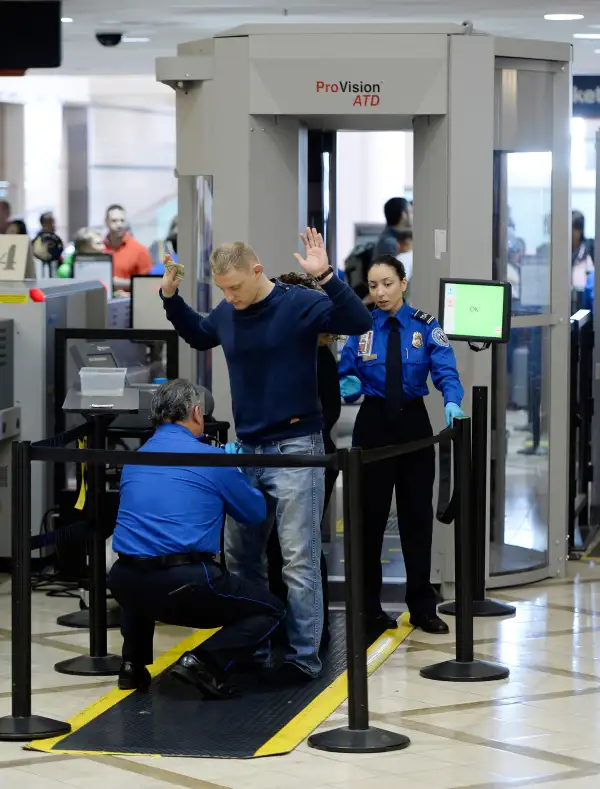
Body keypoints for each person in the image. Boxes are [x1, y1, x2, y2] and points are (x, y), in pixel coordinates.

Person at [160, 228, 372, 682]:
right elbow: (200, 334)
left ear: (257, 270)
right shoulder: (228, 311)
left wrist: (329, 275)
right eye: (223, 289)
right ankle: (252, 647)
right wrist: (170, 296)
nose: (230, 297)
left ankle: (303, 658)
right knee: (242, 558)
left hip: (296, 447)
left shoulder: (298, 303)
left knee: (298, 559)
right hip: (248, 449)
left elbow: (359, 322)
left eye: (236, 286)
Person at [108, 379, 285, 699]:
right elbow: (255, 513)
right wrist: (239, 472)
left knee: (139, 569)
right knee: (270, 610)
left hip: (122, 581)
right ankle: (202, 662)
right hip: (185, 584)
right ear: (197, 412)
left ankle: (131, 665)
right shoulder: (212, 460)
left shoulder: (137, 457)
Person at [338, 254, 464, 636]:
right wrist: (349, 383)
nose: (380, 292)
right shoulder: (360, 328)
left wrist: (452, 400)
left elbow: (445, 369)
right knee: (368, 521)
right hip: (373, 424)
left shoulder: (425, 326)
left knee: (416, 520)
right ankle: (369, 609)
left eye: (387, 283)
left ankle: (422, 607)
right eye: (373, 286)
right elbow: (346, 369)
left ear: (403, 283)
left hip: (413, 423)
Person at [265, 272, 342, 645]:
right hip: (273, 455)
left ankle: (313, 629)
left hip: (310, 457)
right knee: (275, 545)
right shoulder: (278, 347)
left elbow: (330, 411)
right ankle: (280, 621)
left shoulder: (319, 355)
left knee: (301, 545)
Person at [103, 204, 152, 290]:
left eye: (122, 221)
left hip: (127, 302)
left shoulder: (140, 250)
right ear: (106, 222)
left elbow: (147, 284)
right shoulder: (98, 248)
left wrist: (119, 283)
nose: (119, 225)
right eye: (114, 221)